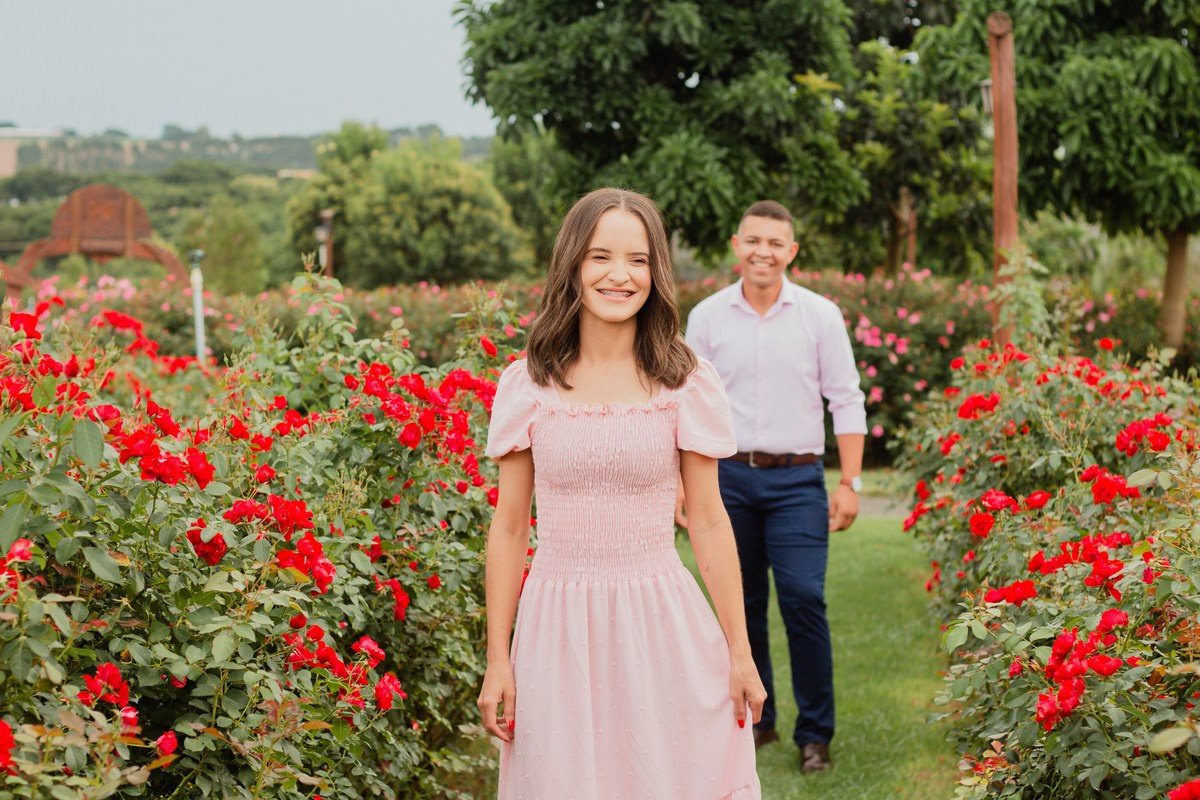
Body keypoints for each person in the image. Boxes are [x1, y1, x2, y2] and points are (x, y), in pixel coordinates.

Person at [477, 188, 766, 800]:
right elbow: (509, 527)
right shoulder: (528, 384)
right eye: (600, 256)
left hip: (659, 623)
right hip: (554, 629)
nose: (620, 275)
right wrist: (497, 658)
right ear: (572, 265)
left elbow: (708, 521)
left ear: (656, 273)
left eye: (638, 260)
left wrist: (740, 652)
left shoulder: (685, 382)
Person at [679, 200, 866, 774]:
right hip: (727, 479)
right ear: (737, 245)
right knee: (742, 604)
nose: (763, 251)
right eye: (754, 240)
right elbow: (687, 404)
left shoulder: (820, 316)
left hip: (797, 481)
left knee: (804, 599)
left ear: (792, 251)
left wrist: (850, 481)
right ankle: (759, 721)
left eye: (775, 242)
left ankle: (815, 735)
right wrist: (682, 485)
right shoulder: (707, 318)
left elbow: (846, 398)